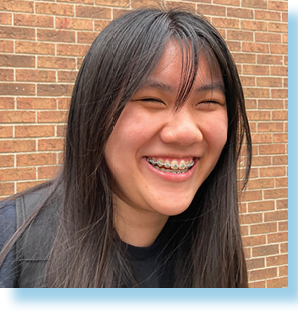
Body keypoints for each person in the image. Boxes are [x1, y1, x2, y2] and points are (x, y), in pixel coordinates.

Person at [0, 7, 251, 288]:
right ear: (94, 113)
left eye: (208, 103)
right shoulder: (9, 244)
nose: (185, 132)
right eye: (152, 100)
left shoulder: (216, 256)